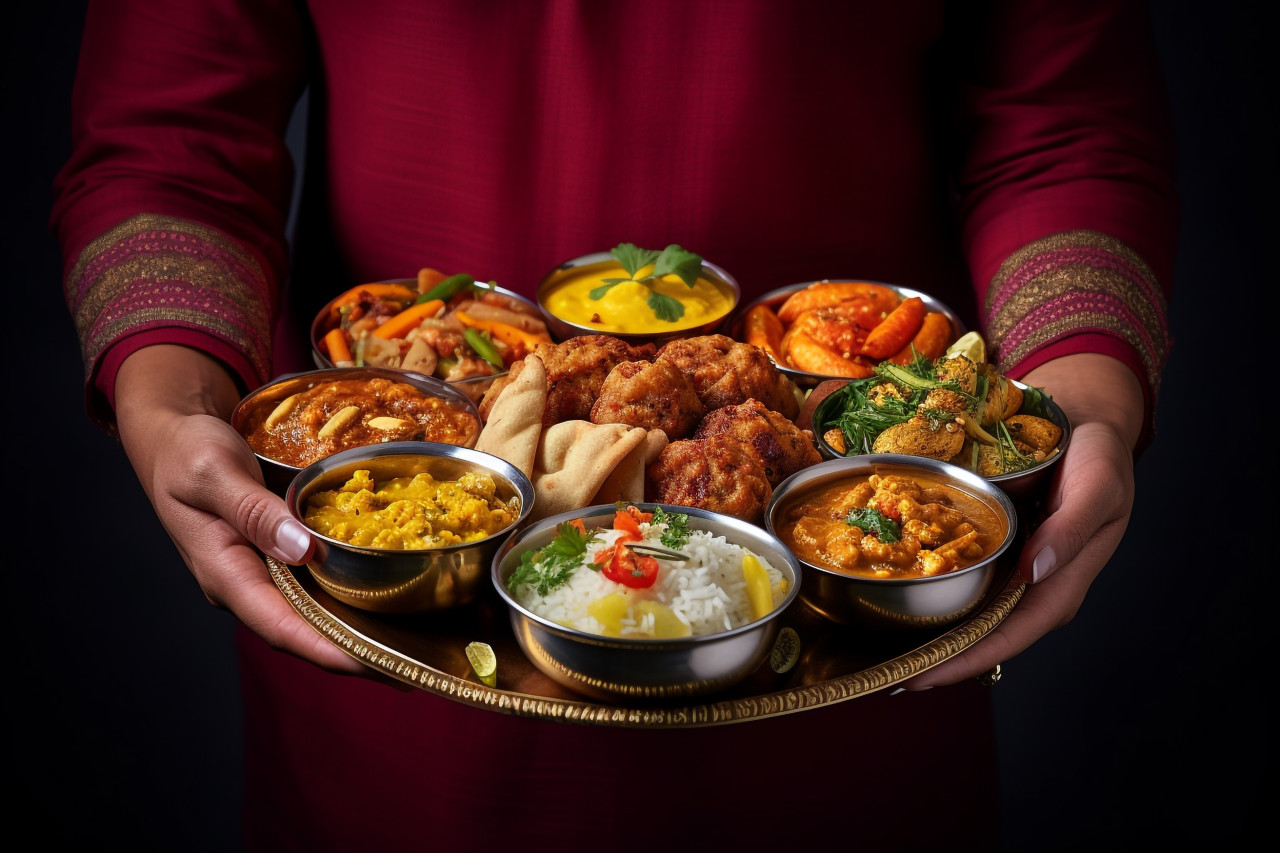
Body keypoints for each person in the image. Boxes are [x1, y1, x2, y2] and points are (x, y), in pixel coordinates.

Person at [51, 1, 1176, 849]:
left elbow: (1059, 129)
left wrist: (1067, 411)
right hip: (401, 630)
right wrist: (173, 405)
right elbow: (170, 143)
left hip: (849, 625)